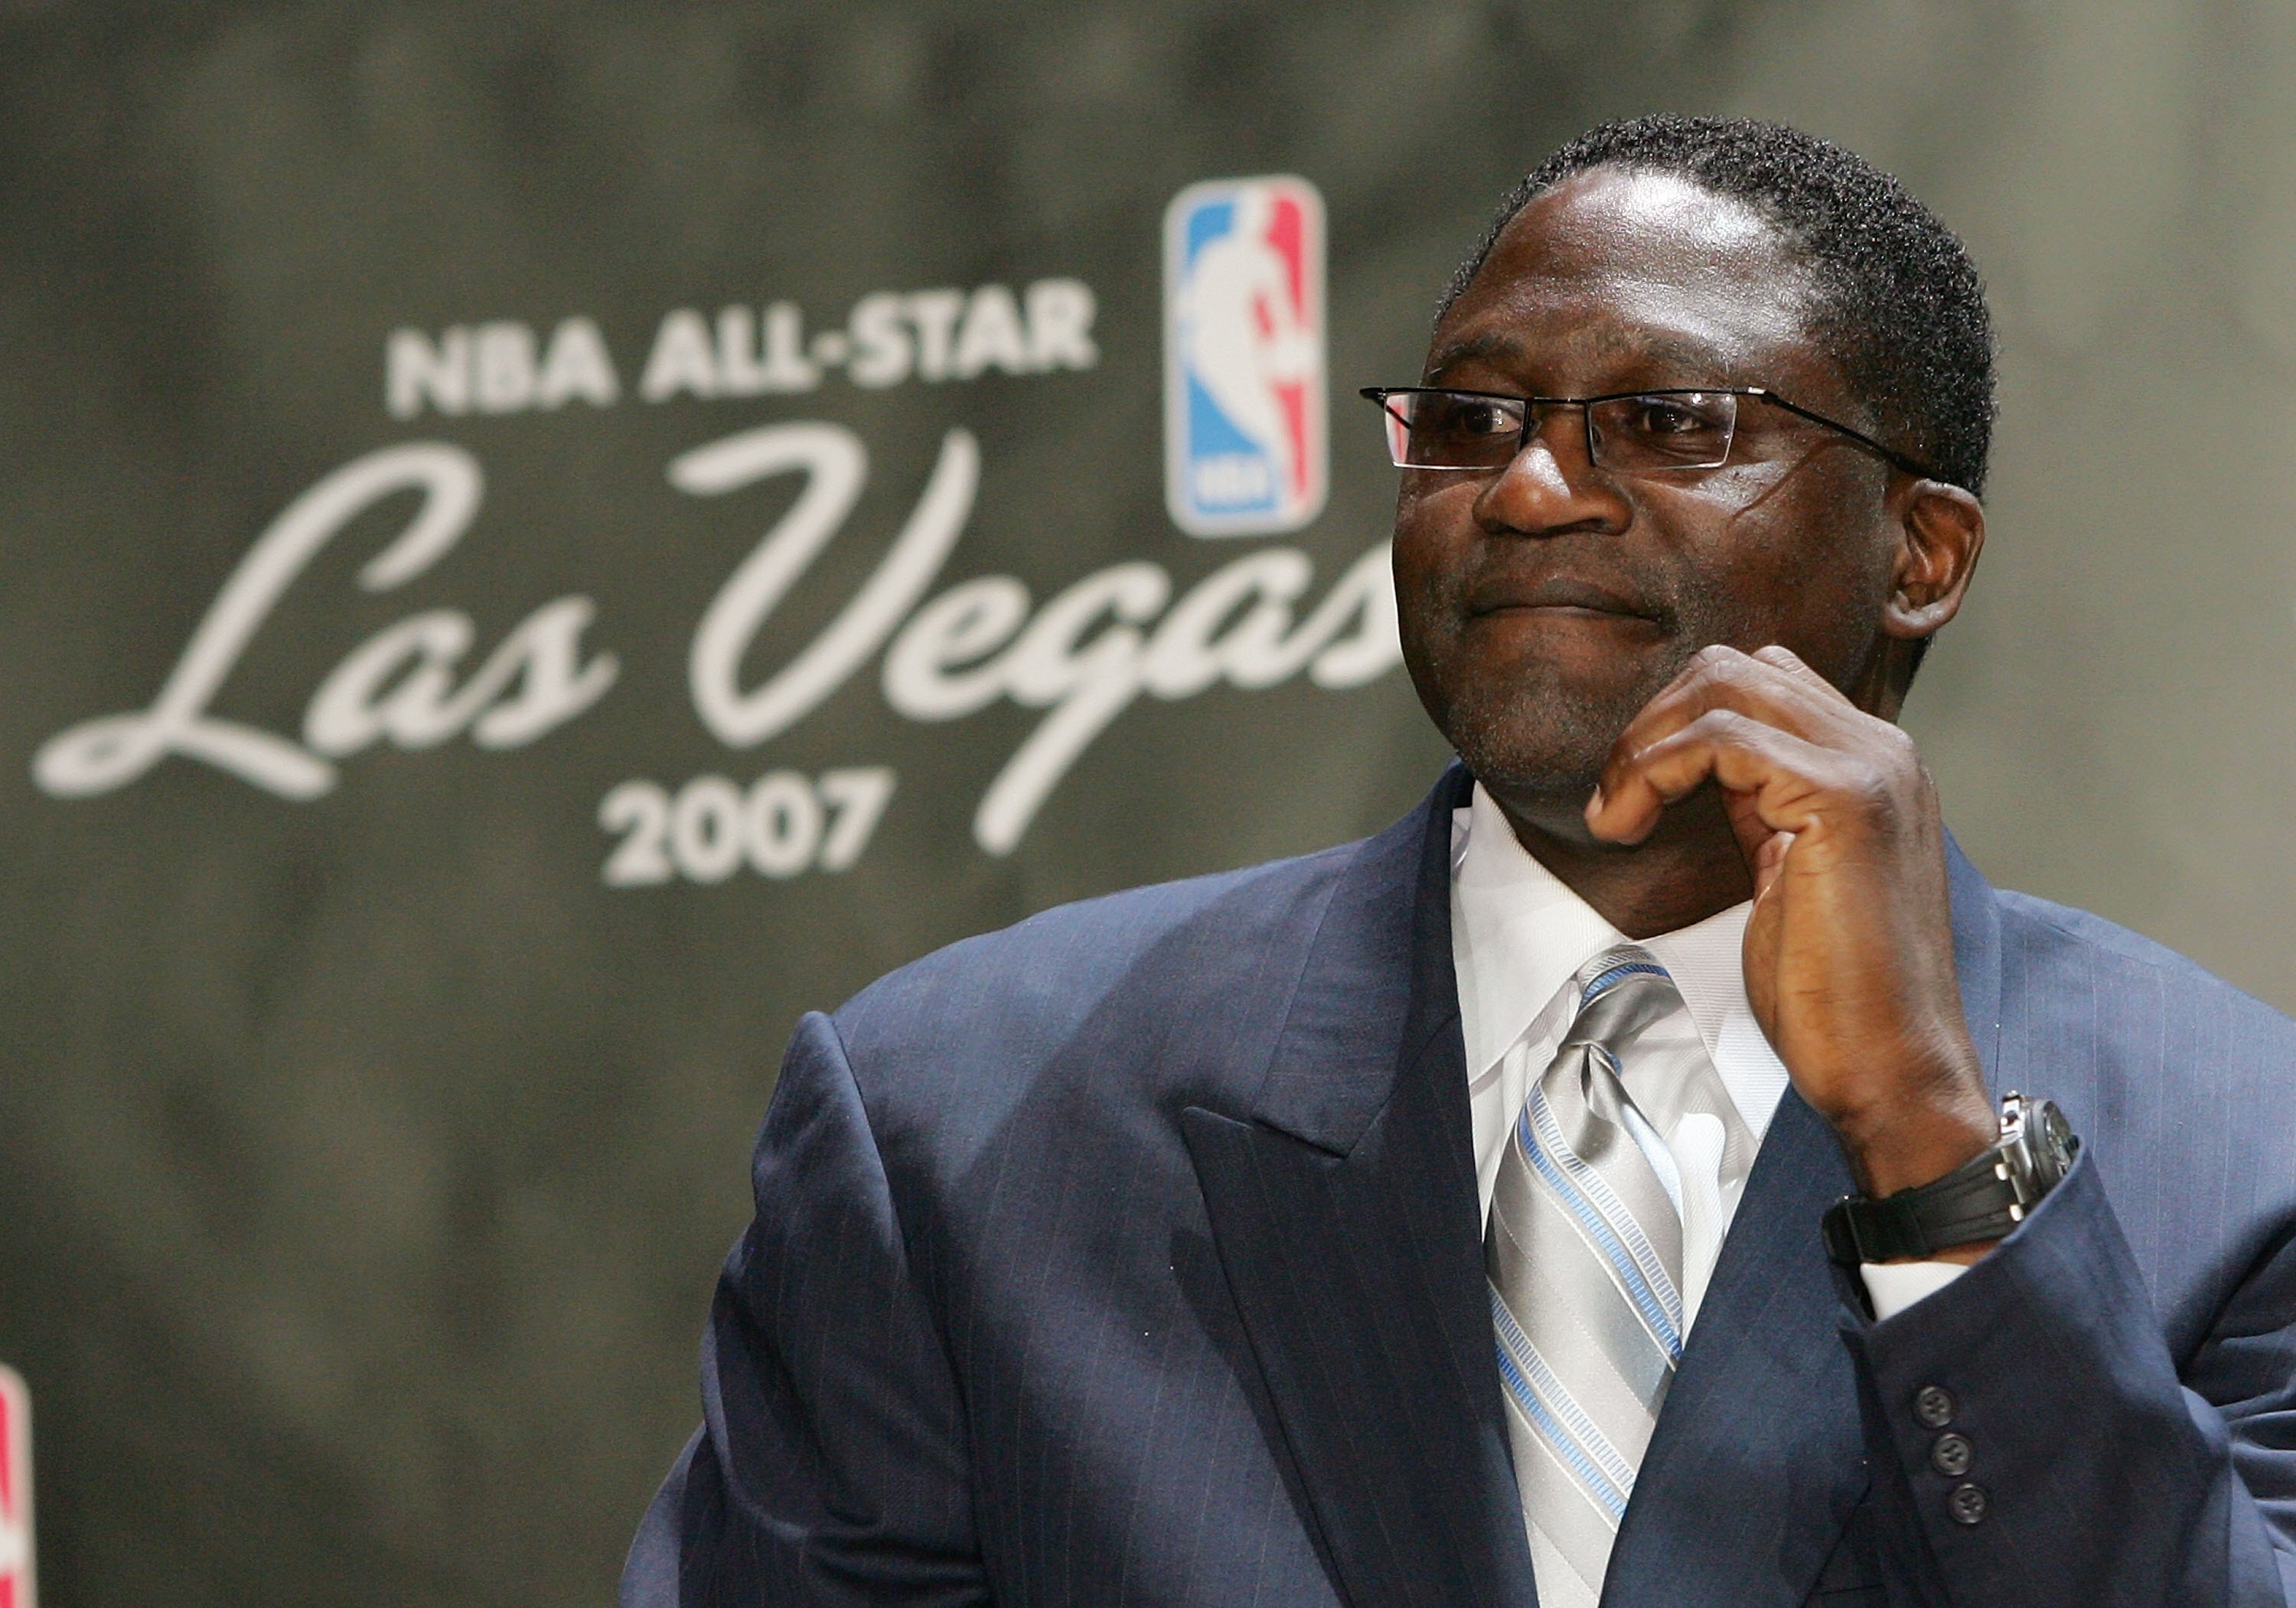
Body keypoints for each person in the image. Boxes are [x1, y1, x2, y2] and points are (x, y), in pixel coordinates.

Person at [620, 116, 2296, 1606]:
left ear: (1919, 553)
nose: (1532, 487)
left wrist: (1928, 1152)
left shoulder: (2243, 1154)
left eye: (1670, 420)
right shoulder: (955, 1120)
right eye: (1473, 419)